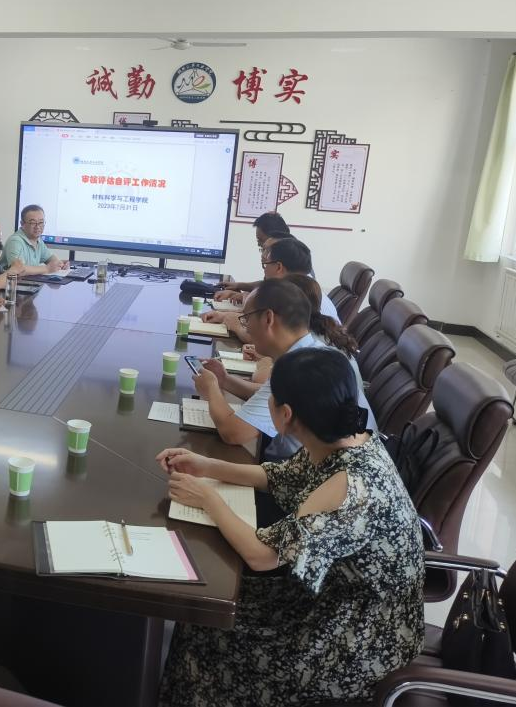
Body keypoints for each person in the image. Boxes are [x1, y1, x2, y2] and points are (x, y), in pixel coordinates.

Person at [156, 347, 424, 706]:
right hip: (334, 598)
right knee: (205, 609)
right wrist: (207, 466)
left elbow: (261, 556)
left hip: (359, 639)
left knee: (207, 629)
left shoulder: (350, 488)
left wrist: (208, 499)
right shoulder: (346, 440)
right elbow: (280, 475)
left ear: (285, 415)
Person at [193, 278, 373, 462]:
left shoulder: (303, 369)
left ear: (268, 318)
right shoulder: (307, 352)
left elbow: (233, 433)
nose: (245, 327)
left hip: (305, 471)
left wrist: (211, 390)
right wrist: (225, 380)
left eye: (246, 319)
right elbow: (271, 396)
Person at [206, 237, 338, 339]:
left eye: (266, 264)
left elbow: (268, 337)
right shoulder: (302, 287)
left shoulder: (297, 294)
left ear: (279, 267)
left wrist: (236, 325)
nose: (264, 269)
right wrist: (225, 316)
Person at [1, 205, 69, 274]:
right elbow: (18, 270)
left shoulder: (38, 240)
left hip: (28, 280)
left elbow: (51, 259)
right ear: (22, 224)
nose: (38, 226)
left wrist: (60, 264)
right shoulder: (15, 241)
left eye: (41, 222)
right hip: (10, 280)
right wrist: (47, 269)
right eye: (33, 223)